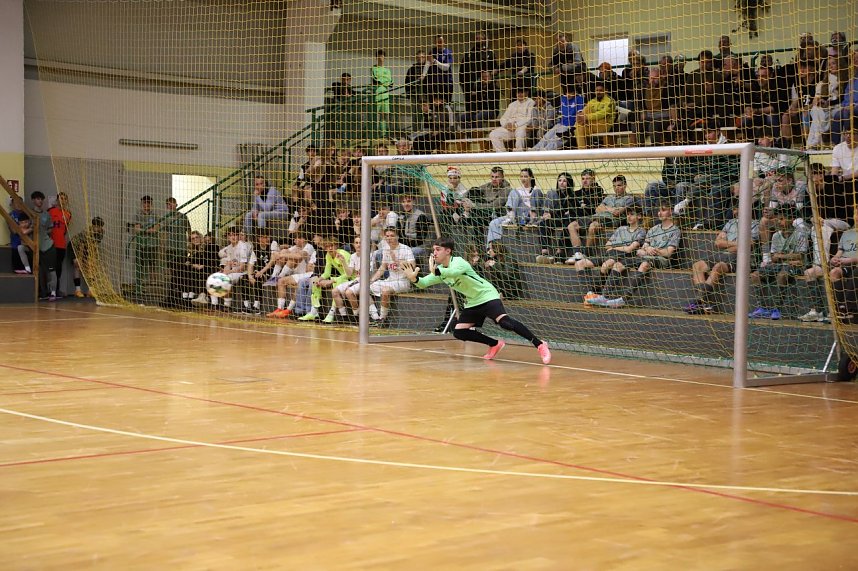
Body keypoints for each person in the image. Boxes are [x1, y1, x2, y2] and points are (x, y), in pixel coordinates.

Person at [401, 236, 551, 364]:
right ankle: (495, 344)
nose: (434, 253)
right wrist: (413, 279)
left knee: (505, 323)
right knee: (459, 332)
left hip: (487, 295)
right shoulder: (440, 271)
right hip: (473, 302)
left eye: (438, 249)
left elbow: (453, 272)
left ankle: (540, 344)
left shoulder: (458, 262)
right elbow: (424, 283)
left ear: (448, 251)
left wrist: (437, 270)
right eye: (433, 250)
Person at [586, 202, 680, 308]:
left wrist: (654, 250)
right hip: (645, 256)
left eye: (663, 210)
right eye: (659, 210)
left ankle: (624, 299)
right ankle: (605, 296)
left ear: (671, 211)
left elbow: (668, 253)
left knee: (644, 264)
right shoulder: (653, 229)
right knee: (618, 264)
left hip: (660, 259)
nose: (659, 213)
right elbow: (644, 247)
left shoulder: (675, 231)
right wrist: (647, 248)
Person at [684, 203, 760, 315]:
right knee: (697, 266)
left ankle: (699, 301)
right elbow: (717, 243)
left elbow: (749, 245)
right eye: (734, 208)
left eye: (737, 207)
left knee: (718, 266)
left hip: (741, 258)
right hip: (723, 254)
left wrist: (727, 244)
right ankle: (703, 303)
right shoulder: (730, 223)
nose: (734, 210)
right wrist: (736, 243)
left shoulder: (754, 225)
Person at [749, 206, 809, 320]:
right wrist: (786, 257)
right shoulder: (776, 235)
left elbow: (800, 256)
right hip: (781, 264)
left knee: (782, 276)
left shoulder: (800, 233)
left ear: (791, 219)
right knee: (755, 275)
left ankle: (777, 308)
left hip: (796, 266)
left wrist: (781, 256)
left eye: (781, 219)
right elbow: (773, 257)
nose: (778, 221)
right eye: (777, 219)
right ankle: (763, 308)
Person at [368, 227, 415, 326]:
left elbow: (412, 267)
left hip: (403, 281)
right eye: (387, 236)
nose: (389, 238)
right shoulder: (386, 249)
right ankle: (374, 316)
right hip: (390, 280)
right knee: (364, 288)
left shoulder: (406, 249)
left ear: (397, 236)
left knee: (385, 290)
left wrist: (396, 260)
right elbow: (383, 267)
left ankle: (382, 319)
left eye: (392, 236)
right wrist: (371, 280)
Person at [161, 196, 191, 308]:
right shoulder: (166, 218)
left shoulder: (183, 217)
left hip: (181, 248)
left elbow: (189, 230)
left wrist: (189, 245)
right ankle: (171, 296)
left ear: (176, 204)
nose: (170, 206)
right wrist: (164, 247)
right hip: (171, 249)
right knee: (172, 272)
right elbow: (164, 233)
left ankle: (180, 297)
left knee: (180, 272)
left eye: (172, 204)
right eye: (168, 204)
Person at [68, 216, 106, 298]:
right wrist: (79, 258)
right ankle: (77, 290)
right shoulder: (86, 233)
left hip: (87, 248)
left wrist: (92, 258)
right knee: (77, 265)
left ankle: (91, 290)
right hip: (75, 247)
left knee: (91, 266)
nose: (98, 228)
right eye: (96, 226)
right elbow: (81, 246)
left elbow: (94, 245)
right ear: (93, 226)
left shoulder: (101, 233)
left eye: (100, 226)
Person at [488, 87, 535, 152]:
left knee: (520, 133)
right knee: (493, 134)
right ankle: (502, 156)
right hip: (509, 128)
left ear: (527, 93)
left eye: (522, 92)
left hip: (521, 127)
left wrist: (516, 125)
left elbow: (529, 118)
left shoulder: (531, 102)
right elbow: (503, 118)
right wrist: (506, 125)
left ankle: (519, 154)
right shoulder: (512, 104)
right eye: (518, 93)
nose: (520, 94)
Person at [574, 83, 617, 149]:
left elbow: (602, 114)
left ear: (606, 91)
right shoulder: (592, 101)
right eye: (597, 90)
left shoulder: (610, 101)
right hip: (593, 125)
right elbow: (584, 112)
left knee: (580, 123)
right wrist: (581, 116)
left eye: (600, 90)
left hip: (605, 124)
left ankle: (572, 130)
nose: (598, 92)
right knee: (579, 128)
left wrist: (587, 117)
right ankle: (582, 152)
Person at [371, 49, 393, 139]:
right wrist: (384, 82)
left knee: (385, 114)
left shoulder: (388, 70)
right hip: (378, 92)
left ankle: (384, 134)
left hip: (385, 93)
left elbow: (390, 82)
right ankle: (375, 134)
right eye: (379, 56)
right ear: (376, 57)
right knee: (377, 113)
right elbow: (375, 79)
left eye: (382, 56)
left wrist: (383, 82)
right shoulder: (374, 68)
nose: (381, 57)